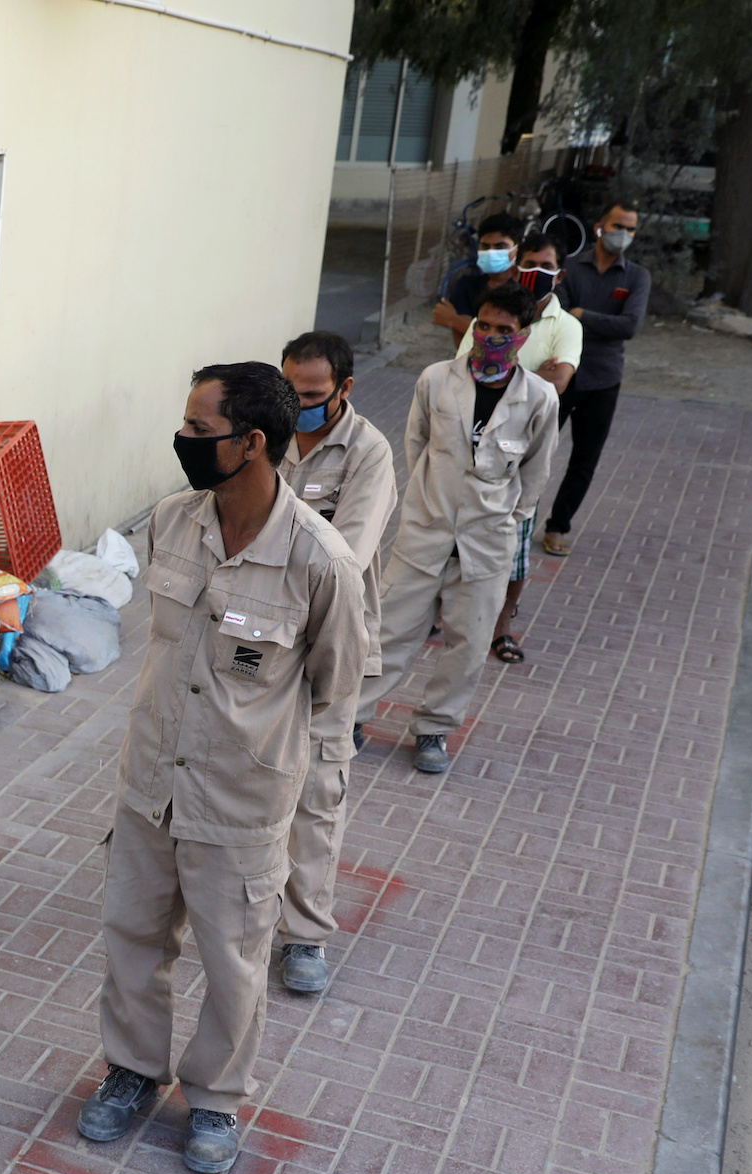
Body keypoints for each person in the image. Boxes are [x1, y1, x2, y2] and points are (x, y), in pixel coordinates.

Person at [76, 365, 367, 1174]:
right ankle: (132, 1070)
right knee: (133, 936)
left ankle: (215, 1097)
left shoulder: (320, 561)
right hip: (152, 781)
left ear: (253, 443)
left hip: (241, 799)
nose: (183, 442)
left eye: (199, 431)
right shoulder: (174, 521)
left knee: (234, 960)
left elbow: (336, 685)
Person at [359, 283, 561, 777]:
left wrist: (508, 519)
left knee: (467, 646)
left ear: (523, 335)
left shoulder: (539, 397)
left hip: (487, 545)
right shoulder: (435, 379)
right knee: (388, 634)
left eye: (503, 329)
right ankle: (352, 716)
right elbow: (416, 445)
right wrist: (431, 501)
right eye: (483, 325)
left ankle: (434, 728)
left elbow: (536, 472)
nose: (490, 336)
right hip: (424, 533)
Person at [274, 331, 397, 999]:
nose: (298, 404)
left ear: (344, 389)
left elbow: (343, 558)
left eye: (313, 394)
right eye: (289, 390)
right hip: (257, 635)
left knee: (319, 787)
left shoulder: (369, 453)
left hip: (331, 639)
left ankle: (305, 933)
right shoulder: (266, 432)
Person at [453, 230, 579, 664]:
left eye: (546, 266)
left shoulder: (566, 326)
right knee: (451, 539)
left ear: (560, 274)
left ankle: (502, 624)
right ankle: (443, 612)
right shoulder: (489, 313)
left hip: (521, 452)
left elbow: (557, 382)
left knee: (515, 551)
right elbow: (464, 367)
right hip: (471, 442)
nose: (535, 273)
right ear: (515, 264)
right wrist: (528, 369)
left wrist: (505, 369)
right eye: (529, 264)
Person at [542, 203, 651, 555]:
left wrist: (582, 314)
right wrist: (595, 321)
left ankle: (558, 527)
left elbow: (630, 326)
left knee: (585, 460)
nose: (624, 234)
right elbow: (557, 313)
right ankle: (519, 518)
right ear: (599, 227)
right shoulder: (570, 268)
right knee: (537, 452)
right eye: (618, 225)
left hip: (603, 379)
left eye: (631, 229)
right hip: (561, 375)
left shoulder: (637, 277)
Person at [433, 214, 523, 347]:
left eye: (500, 246)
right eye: (485, 246)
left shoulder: (525, 288)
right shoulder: (466, 286)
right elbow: (464, 344)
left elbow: (516, 344)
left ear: (517, 249)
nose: (491, 252)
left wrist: (453, 320)